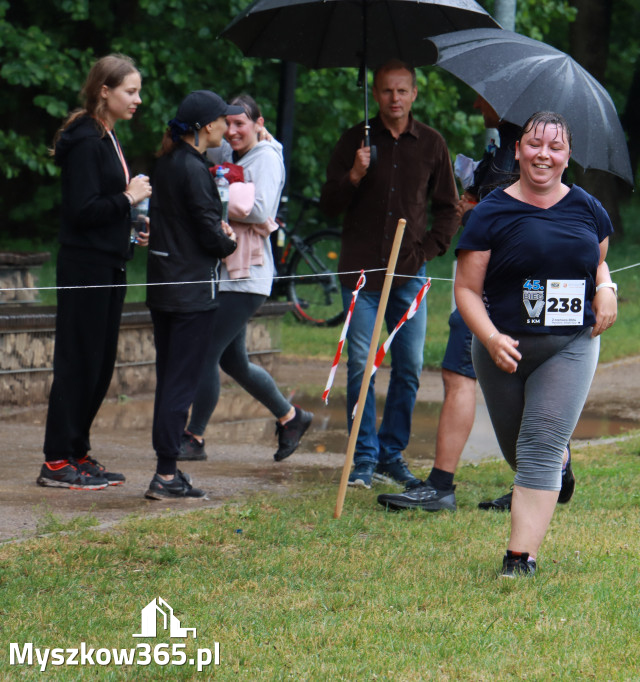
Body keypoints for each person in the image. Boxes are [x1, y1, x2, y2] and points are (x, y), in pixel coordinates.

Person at [453, 111, 618, 577]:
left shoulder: (588, 208)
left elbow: (597, 264)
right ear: (520, 150)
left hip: (570, 344)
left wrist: (607, 289)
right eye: (534, 144)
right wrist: (490, 337)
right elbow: (466, 289)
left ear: (568, 156)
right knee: (518, 452)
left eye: (555, 147)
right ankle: (562, 461)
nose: (543, 154)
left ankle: (519, 557)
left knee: (539, 447)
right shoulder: (490, 212)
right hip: (502, 348)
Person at [376, 95, 520, 511]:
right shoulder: (517, 147)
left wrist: (471, 212)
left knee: (460, 375)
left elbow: (504, 224)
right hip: (510, 286)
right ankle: (550, 474)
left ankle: (441, 487)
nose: (479, 105)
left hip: (489, 287)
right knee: (524, 384)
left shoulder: (514, 153)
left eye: (483, 98)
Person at [320, 59, 459, 490]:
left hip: (409, 276)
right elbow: (327, 204)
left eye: (402, 91)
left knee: (410, 366)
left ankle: (390, 455)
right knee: (361, 364)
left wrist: (427, 251)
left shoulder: (432, 144)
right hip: (361, 275)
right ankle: (362, 459)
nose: (394, 99)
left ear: (414, 94)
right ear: (375, 93)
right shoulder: (354, 141)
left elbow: (448, 208)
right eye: (386, 91)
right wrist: (354, 175)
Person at [38, 54, 152, 491]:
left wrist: (131, 225)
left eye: (138, 91)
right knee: (77, 362)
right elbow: (82, 210)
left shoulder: (107, 135)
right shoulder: (86, 139)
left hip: (108, 261)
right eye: (130, 91)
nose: (137, 99)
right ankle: (54, 461)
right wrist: (127, 199)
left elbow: (104, 208)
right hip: (84, 266)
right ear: (104, 91)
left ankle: (77, 452)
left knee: (100, 363)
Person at [179, 95, 313, 463]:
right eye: (229, 123)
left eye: (241, 124)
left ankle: (195, 437)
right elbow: (202, 156)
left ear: (259, 123)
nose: (233, 131)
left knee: (207, 352)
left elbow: (260, 209)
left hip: (248, 277)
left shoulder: (266, 158)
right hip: (227, 273)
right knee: (233, 361)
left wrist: (220, 193)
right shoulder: (231, 154)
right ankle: (291, 417)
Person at [144, 90, 241, 500]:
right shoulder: (194, 169)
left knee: (169, 379)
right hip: (189, 293)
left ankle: (166, 469)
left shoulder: (166, 162)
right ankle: (166, 474)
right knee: (179, 384)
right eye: (223, 120)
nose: (228, 127)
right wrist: (228, 241)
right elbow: (207, 231)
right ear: (205, 127)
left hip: (164, 287)